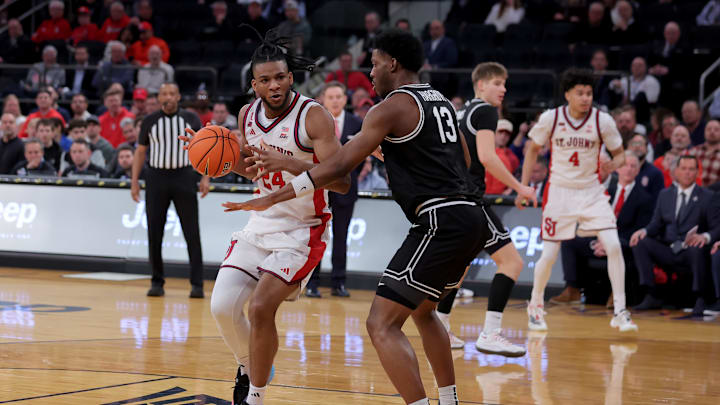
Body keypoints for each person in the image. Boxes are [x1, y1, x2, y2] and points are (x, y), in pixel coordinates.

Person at [224, 28, 521, 405]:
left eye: (376, 64)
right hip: (472, 215)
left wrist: (277, 194)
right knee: (425, 312)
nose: (371, 73)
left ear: (393, 64)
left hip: (439, 220)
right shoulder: (440, 101)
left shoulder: (391, 106)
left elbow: (340, 166)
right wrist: (406, 157)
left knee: (380, 324)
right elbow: (463, 159)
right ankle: (449, 400)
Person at [178, 30, 351, 405]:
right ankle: (249, 365)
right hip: (261, 223)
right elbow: (256, 171)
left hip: (303, 231)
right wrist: (209, 153)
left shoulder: (314, 116)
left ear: (290, 77)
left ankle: (254, 396)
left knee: (259, 308)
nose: (274, 85)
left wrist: (289, 162)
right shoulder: (247, 115)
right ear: (253, 84)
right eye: (265, 80)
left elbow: (341, 182)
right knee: (221, 307)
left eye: (280, 77)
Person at [520, 68, 638, 333]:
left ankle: (620, 311)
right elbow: (532, 151)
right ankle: (535, 306)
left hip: (591, 191)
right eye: (580, 93)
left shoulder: (603, 120)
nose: (586, 98)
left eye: (589, 93)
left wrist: (611, 165)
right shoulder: (551, 118)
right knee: (549, 255)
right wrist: (523, 187)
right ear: (568, 95)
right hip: (560, 192)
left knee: (613, 246)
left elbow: (621, 156)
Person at [435, 62, 536, 354]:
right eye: (497, 83)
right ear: (481, 85)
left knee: (460, 268)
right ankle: (490, 333)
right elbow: (488, 158)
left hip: (453, 198)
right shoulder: (486, 111)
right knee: (512, 263)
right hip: (471, 200)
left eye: (505, 84)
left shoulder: (460, 113)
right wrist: (520, 188)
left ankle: (441, 326)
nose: (503, 89)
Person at [131, 82, 209, 299]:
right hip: (156, 178)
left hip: (184, 177)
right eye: (164, 93)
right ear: (158, 98)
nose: (168, 97)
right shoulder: (149, 121)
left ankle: (197, 284)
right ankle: (157, 281)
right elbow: (140, 152)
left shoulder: (191, 119)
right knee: (154, 233)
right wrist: (134, 181)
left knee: (192, 233)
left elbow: (205, 149)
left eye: (172, 93)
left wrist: (205, 176)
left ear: (178, 96)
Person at [551, 152, 653, 306]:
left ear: (638, 171)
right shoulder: (605, 192)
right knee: (569, 241)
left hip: (624, 244)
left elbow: (636, 232)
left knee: (625, 247)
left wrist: (610, 242)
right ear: (617, 168)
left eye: (634, 166)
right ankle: (572, 289)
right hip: (600, 239)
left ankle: (618, 294)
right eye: (626, 165)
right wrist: (598, 241)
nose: (629, 169)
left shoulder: (645, 198)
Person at [630, 156, 720, 315]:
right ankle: (651, 294)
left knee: (696, 248)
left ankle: (699, 297)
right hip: (669, 248)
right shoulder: (665, 194)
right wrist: (643, 231)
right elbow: (655, 224)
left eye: (691, 169)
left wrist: (704, 236)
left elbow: (716, 228)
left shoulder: (707, 196)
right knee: (640, 242)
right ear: (676, 171)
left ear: (697, 172)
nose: (687, 173)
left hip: (691, 250)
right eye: (684, 168)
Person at [305, 81, 363, 298]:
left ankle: (339, 283)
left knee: (341, 237)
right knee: (317, 237)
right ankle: (312, 283)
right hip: (320, 189)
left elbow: (363, 154)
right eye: (331, 97)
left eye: (339, 96)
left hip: (347, 190)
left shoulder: (357, 123)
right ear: (323, 100)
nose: (336, 100)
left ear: (345, 99)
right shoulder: (315, 124)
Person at [626, 134, 664, 199]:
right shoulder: (618, 170)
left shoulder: (655, 173)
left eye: (640, 144)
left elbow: (658, 201)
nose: (637, 147)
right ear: (628, 147)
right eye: (634, 143)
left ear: (647, 149)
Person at [690, 120, 720, 187]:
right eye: (709, 129)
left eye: (716, 129)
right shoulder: (693, 152)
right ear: (704, 132)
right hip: (694, 193)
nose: (712, 132)